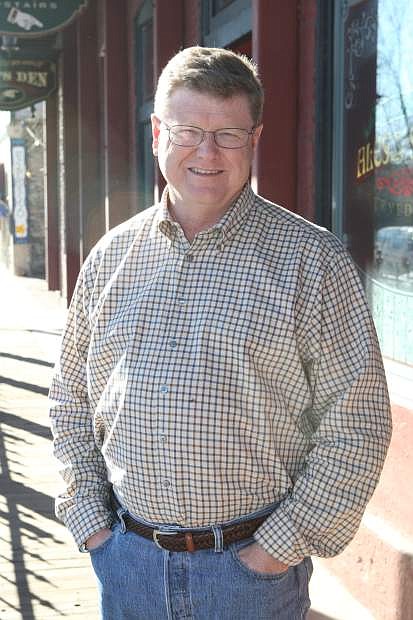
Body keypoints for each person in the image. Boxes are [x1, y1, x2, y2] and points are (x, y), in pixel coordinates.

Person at [49, 46, 392, 620]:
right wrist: (92, 527)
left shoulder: (312, 261)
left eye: (228, 134)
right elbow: (69, 399)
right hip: (128, 563)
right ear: (158, 132)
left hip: (250, 578)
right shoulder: (110, 257)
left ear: (254, 138)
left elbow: (356, 424)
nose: (206, 152)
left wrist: (273, 552)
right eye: (188, 130)